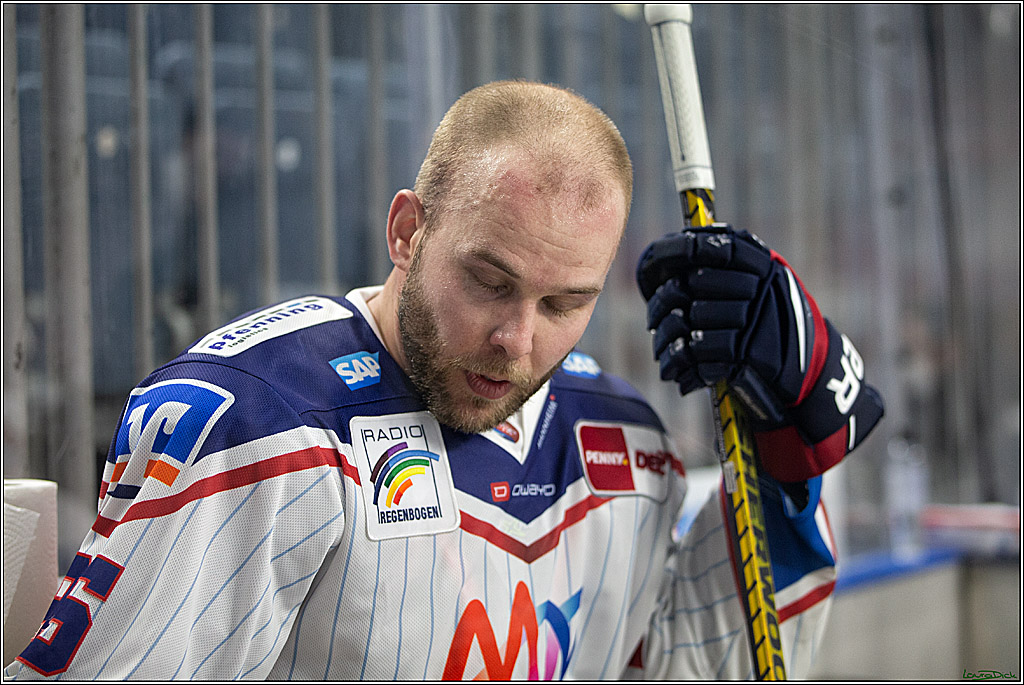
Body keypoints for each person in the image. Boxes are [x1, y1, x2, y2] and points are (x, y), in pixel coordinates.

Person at [5, 80, 882, 680]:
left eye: (563, 301)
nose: (515, 340)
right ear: (406, 230)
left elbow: (708, 663)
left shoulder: (622, 445)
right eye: (490, 281)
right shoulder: (259, 422)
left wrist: (787, 454)